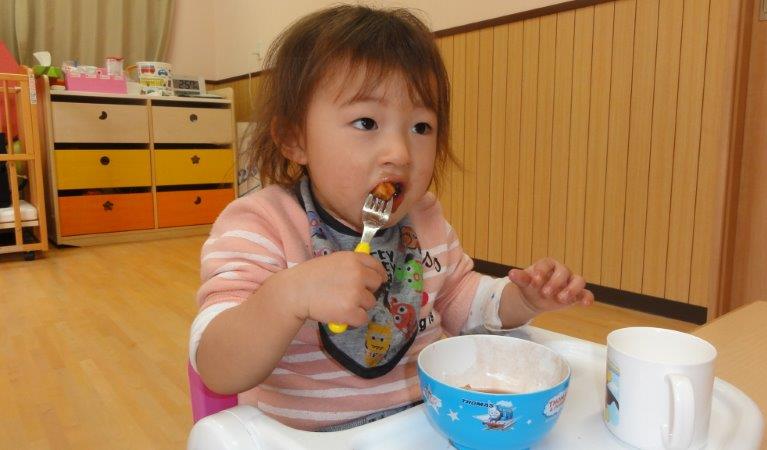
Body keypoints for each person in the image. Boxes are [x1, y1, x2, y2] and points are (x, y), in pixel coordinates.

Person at [190, 4, 594, 432]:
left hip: (425, 426)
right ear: (295, 139)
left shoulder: (425, 220)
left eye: (421, 127)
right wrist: (286, 297)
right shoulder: (262, 225)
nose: (400, 153)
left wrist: (522, 300)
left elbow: (462, 302)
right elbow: (218, 367)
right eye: (366, 122)